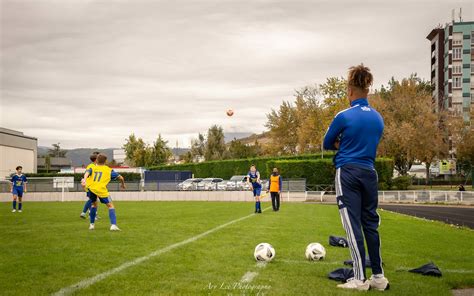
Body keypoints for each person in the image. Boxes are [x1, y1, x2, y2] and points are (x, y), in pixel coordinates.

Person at [323, 64, 388, 291]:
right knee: (371, 223)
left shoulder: (344, 116)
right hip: (370, 172)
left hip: (348, 172)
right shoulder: (378, 118)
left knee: (352, 225)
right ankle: (378, 277)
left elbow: (326, 143)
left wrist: (341, 143)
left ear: (350, 91)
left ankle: (359, 278)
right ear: (368, 90)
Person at [82, 153, 125, 231]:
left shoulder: (93, 167)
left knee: (94, 205)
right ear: (105, 161)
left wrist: (84, 180)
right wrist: (123, 184)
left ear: (97, 160)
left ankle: (92, 225)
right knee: (111, 206)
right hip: (102, 190)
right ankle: (113, 225)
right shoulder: (108, 170)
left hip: (92, 189)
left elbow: (87, 172)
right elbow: (121, 177)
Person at [80, 152, 100, 219]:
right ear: (96, 159)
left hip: (91, 185)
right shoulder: (91, 166)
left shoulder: (95, 166)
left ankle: (91, 214)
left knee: (93, 200)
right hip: (89, 186)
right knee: (92, 200)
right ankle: (86, 213)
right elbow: (87, 173)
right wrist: (84, 180)